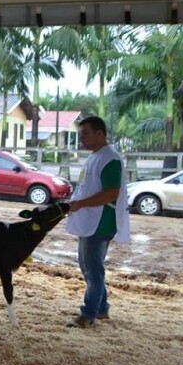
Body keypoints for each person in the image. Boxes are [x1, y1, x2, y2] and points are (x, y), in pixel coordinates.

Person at [65, 116, 130, 328]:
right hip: (90, 219)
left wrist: (81, 203)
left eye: (85, 133)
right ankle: (101, 309)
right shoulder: (96, 156)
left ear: (100, 133)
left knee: (93, 269)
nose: (82, 138)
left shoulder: (109, 157)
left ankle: (89, 314)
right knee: (88, 266)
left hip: (100, 221)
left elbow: (111, 193)